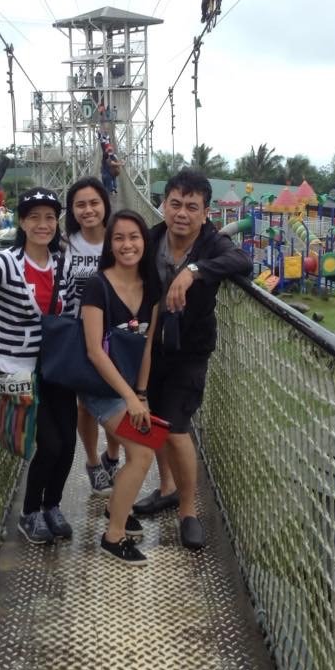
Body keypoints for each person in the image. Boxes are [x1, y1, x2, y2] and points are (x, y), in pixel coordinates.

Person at [132, 169, 253, 549]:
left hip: (190, 349)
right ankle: (166, 487)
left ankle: (188, 510)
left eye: (192, 207)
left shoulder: (212, 244)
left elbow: (241, 262)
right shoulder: (151, 239)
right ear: (164, 205)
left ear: (205, 213)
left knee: (177, 426)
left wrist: (194, 271)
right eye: (175, 204)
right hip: (150, 345)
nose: (182, 213)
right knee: (154, 420)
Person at [0, 188, 78, 545]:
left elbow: (69, 311)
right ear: (22, 223)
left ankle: (52, 506)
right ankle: (30, 512)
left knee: (68, 441)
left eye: (50, 218)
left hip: (56, 366)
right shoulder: (7, 261)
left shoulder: (63, 262)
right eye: (34, 217)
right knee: (50, 444)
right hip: (19, 368)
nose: (43, 224)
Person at [79, 211, 160, 565]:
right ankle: (113, 536)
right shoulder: (98, 286)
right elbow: (94, 351)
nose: (127, 245)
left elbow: (148, 346)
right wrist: (129, 398)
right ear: (110, 245)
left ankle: (119, 506)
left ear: (145, 241)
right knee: (143, 452)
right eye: (119, 239)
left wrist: (140, 394)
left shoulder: (151, 285)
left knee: (142, 447)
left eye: (134, 237)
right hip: (100, 387)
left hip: (129, 387)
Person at [65, 177, 119, 495]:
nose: (88, 210)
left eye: (94, 203)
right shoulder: (64, 244)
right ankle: (92, 463)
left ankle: (112, 455)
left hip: (115, 333)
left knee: (114, 397)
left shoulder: (118, 239)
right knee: (85, 405)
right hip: (77, 332)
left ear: (105, 205)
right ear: (72, 210)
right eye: (80, 204)